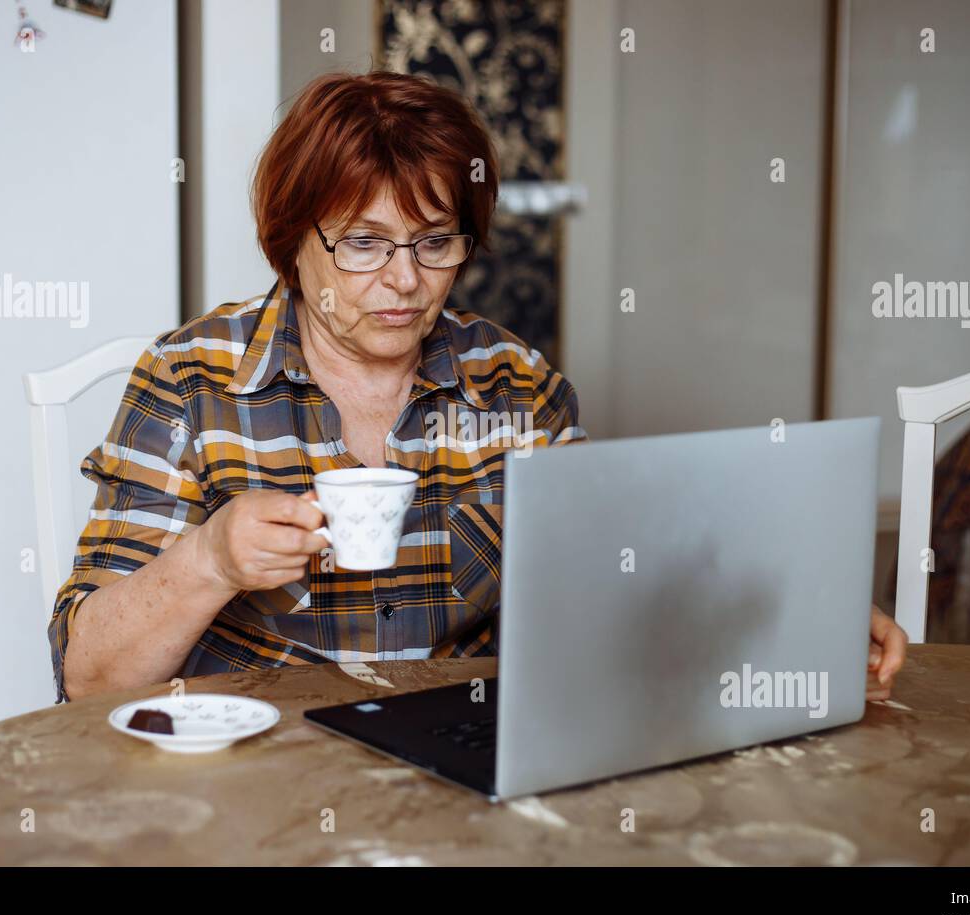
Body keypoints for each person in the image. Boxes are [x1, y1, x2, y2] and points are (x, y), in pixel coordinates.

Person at [48, 71, 907, 703]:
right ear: (290, 242)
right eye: (362, 243)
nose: (403, 281)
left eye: (435, 242)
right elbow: (87, 678)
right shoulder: (192, 381)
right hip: (252, 780)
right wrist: (213, 558)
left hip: (453, 756)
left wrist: (801, 613)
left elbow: (617, 579)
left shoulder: (516, 388)